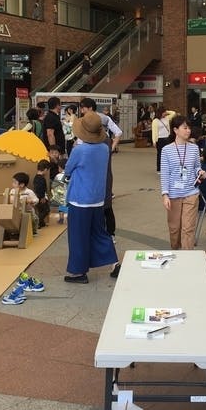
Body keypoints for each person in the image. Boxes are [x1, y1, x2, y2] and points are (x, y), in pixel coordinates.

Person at [62, 111, 120, 284]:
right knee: (100, 232)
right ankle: (114, 263)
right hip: (98, 198)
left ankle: (79, 272)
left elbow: (68, 169)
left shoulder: (79, 150)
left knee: (78, 236)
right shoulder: (104, 148)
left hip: (80, 199)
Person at [78, 97, 122, 241]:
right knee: (106, 203)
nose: (82, 110)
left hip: (91, 175)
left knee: (96, 205)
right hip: (105, 171)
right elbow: (118, 132)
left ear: (90, 108)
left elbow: (79, 146)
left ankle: (99, 234)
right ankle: (110, 234)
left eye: (83, 108)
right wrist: (112, 147)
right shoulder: (104, 121)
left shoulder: (84, 124)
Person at [160, 115, 205, 250]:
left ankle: (187, 257)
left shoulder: (194, 148)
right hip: (173, 195)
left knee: (188, 228)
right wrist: (165, 195)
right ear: (175, 130)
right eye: (185, 128)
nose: (188, 130)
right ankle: (176, 251)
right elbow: (165, 174)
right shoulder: (166, 150)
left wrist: (200, 172)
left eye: (189, 128)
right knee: (175, 229)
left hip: (191, 193)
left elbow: (197, 167)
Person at [8, 172, 39, 236]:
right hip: (16, 211)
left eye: (15, 183)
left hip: (28, 211)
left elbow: (36, 200)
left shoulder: (29, 192)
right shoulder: (13, 191)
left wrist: (31, 201)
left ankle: (33, 231)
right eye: (13, 182)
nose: (12, 184)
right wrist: (15, 200)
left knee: (34, 219)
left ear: (22, 184)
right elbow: (11, 200)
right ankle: (15, 231)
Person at [152, 107, 174, 173]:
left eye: (165, 112)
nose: (165, 113)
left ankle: (167, 167)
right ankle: (159, 169)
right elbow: (154, 132)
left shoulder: (166, 118)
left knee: (168, 154)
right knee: (160, 154)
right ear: (160, 113)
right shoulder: (155, 121)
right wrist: (154, 141)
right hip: (160, 139)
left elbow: (173, 113)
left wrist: (167, 111)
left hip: (167, 138)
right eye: (164, 112)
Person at [33, 160, 51, 228]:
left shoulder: (36, 177)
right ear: (45, 169)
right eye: (47, 170)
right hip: (41, 197)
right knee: (46, 210)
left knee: (41, 210)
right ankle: (38, 222)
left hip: (38, 197)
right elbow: (40, 188)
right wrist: (42, 197)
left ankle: (41, 223)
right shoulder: (41, 178)